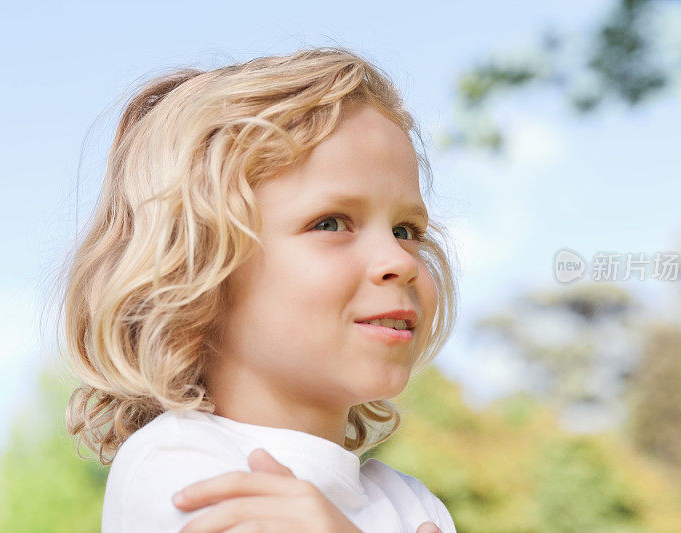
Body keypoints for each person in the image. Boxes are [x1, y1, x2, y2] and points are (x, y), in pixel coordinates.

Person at [58, 46, 460, 532]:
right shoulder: (175, 464)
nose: (400, 261)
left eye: (406, 231)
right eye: (332, 222)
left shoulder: (411, 503)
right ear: (197, 272)